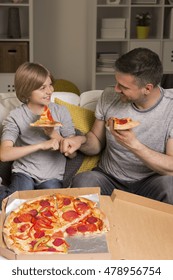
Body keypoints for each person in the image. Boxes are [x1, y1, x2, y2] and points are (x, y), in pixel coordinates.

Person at [60, 47, 173, 205]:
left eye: (124, 87)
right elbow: (96, 142)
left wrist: (134, 145)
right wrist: (80, 141)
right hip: (109, 179)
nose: (116, 89)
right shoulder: (109, 96)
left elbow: (171, 167)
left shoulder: (170, 107)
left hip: (151, 181)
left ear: (147, 88)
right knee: (84, 180)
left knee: (170, 187)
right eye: (117, 83)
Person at [0, 62, 76, 199]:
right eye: (42, 88)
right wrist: (41, 145)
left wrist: (53, 134)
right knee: (18, 204)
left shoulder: (61, 112)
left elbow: (72, 154)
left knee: (50, 210)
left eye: (50, 84)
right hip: (24, 172)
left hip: (52, 177)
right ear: (27, 90)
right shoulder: (16, 116)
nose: (50, 91)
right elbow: (4, 154)